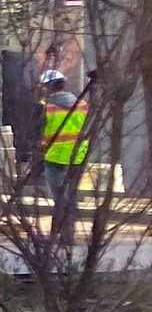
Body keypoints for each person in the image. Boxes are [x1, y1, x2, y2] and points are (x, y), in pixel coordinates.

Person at [39, 69, 90, 261]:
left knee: (60, 198)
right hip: (77, 158)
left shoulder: (45, 106)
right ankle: (68, 235)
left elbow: (37, 132)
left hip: (54, 158)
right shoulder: (82, 105)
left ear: (48, 87)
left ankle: (58, 236)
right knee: (71, 197)